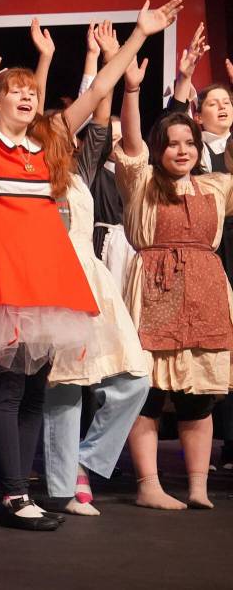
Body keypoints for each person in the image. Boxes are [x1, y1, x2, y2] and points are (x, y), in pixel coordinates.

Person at [0, 0, 181, 531]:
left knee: (39, 387)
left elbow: (97, 89)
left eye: (30, 91)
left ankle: (28, 490)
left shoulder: (47, 144)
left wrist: (141, 36)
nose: (25, 96)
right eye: (15, 91)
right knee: (10, 387)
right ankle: (14, 496)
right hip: (2, 274)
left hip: (47, 274)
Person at [41, 24, 151, 517]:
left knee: (135, 377)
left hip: (95, 282)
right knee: (64, 387)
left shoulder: (81, 173)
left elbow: (100, 109)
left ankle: (84, 459)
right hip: (53, 284)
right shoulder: (30, 184)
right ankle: (63, 485)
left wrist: (128, 43)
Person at [116, 56, 233, 511]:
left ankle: (198, 486)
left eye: (189, 143)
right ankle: (148, 484)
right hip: (155, 293)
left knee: (199, 398)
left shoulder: (216, 187)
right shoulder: (142, 181)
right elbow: (130, 139)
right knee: (149, 393)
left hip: (205, 292)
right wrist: (131, 91)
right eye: (172, 144)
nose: (181, 151)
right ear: (159, 149)